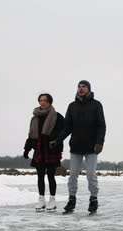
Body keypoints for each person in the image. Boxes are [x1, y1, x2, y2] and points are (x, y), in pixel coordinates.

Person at [50, 80, 106, 214]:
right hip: (76, 146)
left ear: (89, 89)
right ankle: (71, 200)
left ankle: (93, 199)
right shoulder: (72, 106)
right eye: (79, 86)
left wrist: (100, 143)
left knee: (91, 175)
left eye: (84, 87)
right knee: (73, 175)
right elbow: (67, 127)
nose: (81, 89)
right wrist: (57, 140)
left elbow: (101, 125)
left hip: (92, 147)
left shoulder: (96, 105)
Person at [23, 93, 65, 211]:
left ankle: (52, 199)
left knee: (51, 176)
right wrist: (27, 149)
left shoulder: (57, 116)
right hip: (39, 149)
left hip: (51, 149)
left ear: (50, 102)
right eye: (41, 100)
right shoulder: (35, 118)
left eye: (45, 100)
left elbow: (62, 132)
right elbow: (31, 135)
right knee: (40, 176)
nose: (43, 102)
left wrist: (54, 140)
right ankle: (41, 199)